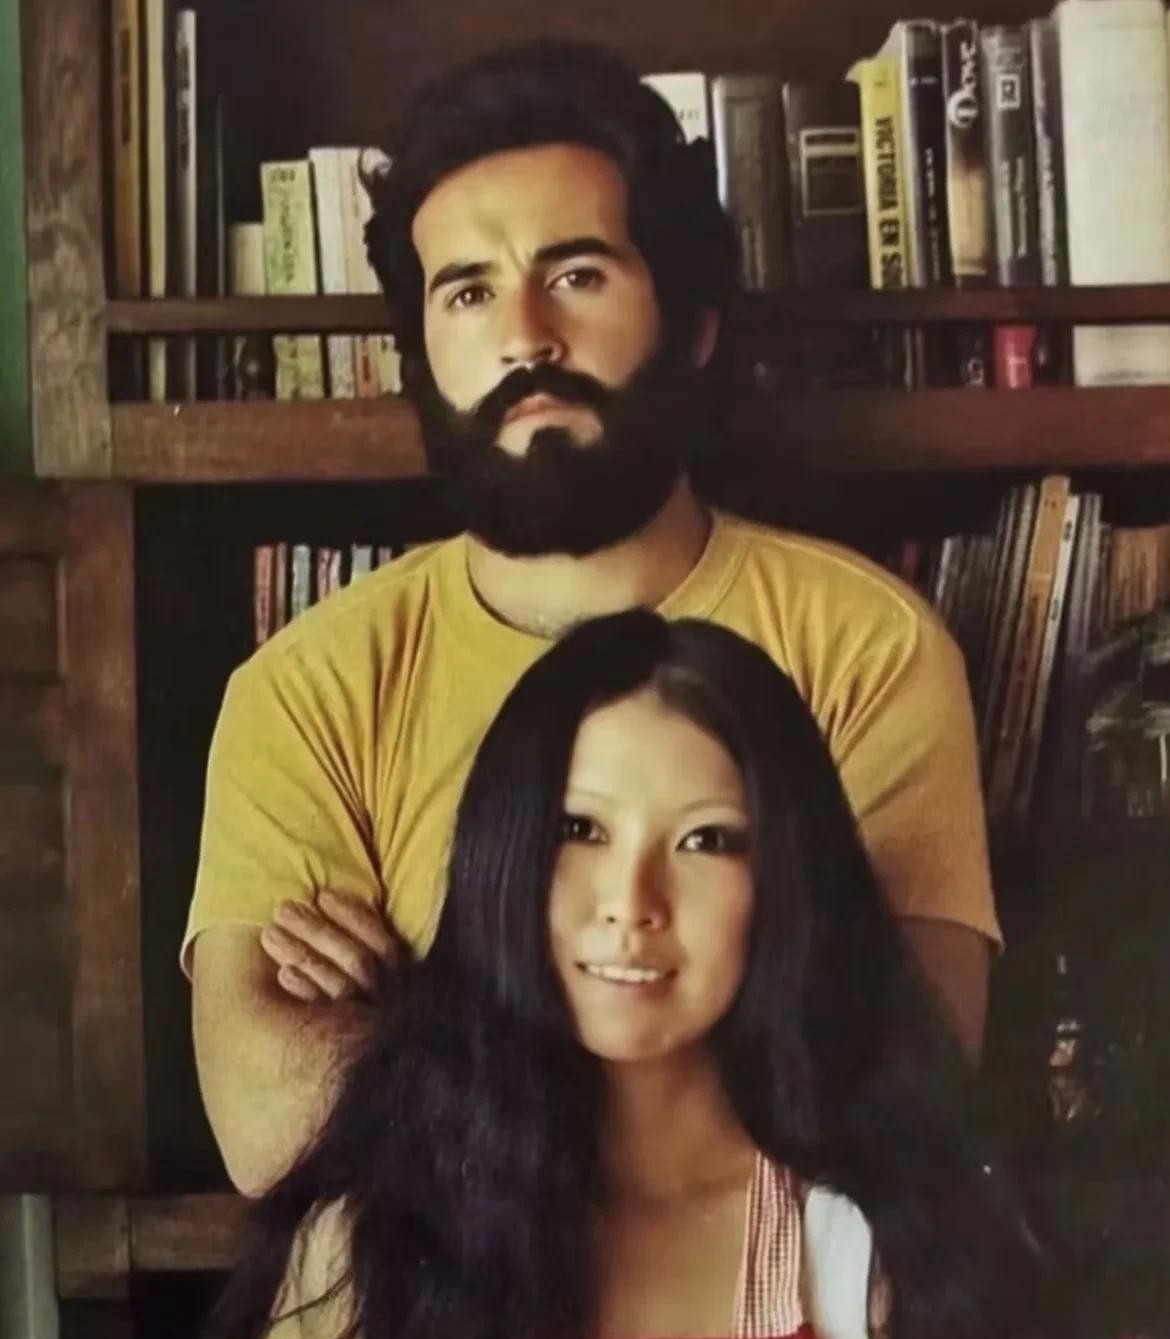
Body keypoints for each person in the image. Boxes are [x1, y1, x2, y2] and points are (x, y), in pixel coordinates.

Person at [186, 39, 1001, 1198]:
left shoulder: (864, 648)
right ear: (420, 352)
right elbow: (268, 1130)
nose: (525, 336)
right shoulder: (307, 691)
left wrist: (420, 1010)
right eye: (468, 291)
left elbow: (895, 1089)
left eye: (576, 275)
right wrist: (715, 1004)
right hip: (437, 1312)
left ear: (694, 323)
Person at [219, 611, 1059, 1339]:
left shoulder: (911, 1248)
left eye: (707, 840)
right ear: (503, 854)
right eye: (580, 829)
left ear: (786, 882)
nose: (630, 905)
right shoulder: (367, 1260)